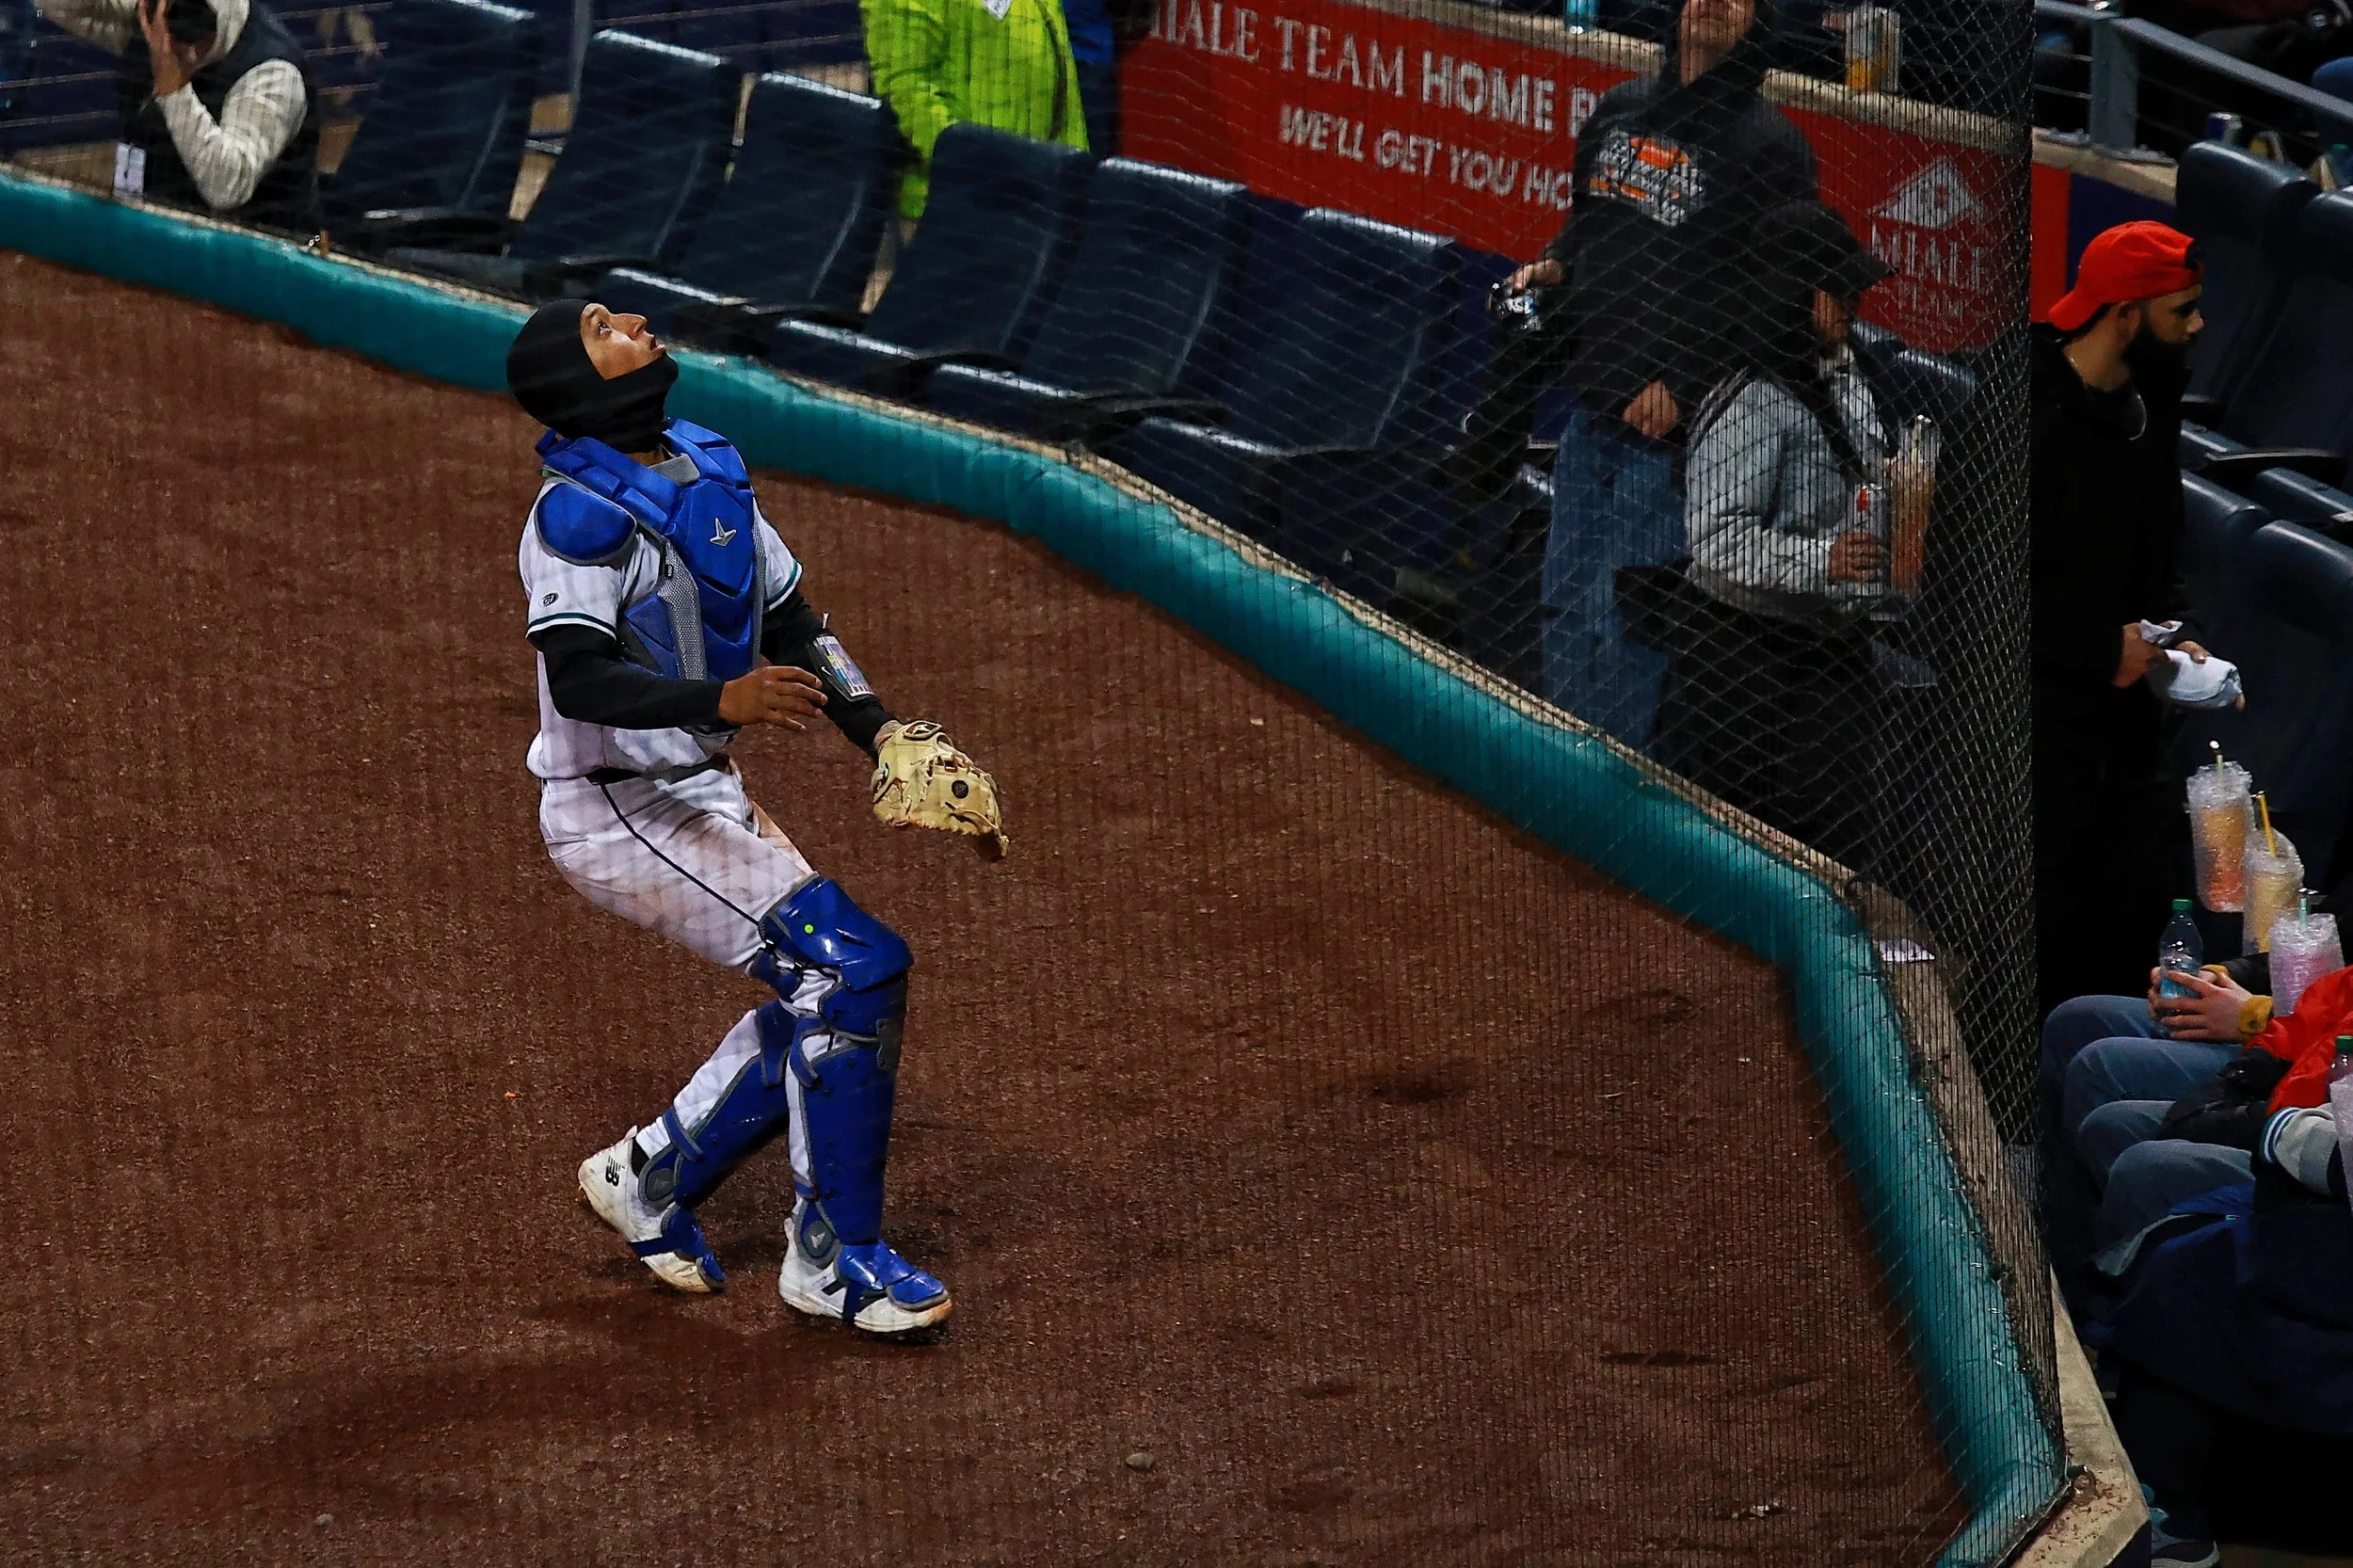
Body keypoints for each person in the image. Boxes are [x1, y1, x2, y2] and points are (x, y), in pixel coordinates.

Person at [506, 299, 1008, 1336]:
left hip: (698, 787)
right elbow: (581, 676)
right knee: (854, 968)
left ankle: (650, 1173)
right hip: (617, 809)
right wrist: (722, 700)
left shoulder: (706, 471)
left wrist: (880, 730)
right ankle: (834, 1264)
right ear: (579, 383)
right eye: (603, 327)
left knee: (834, 986)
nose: (633, 319)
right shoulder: (574, 518)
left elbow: (791, 622)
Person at [1500, 0, 1817, 746]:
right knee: (1565, 603)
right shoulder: (1620, 108)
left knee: (1628, 627)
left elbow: (1771, 294)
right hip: (1592, 406)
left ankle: (1611, 787)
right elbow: (1587, 221)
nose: (1713, 1)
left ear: (1756, 21)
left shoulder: (1772, 147)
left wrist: (1684, 384)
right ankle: (1561, 766)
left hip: (1675, 443)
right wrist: (1555, 264)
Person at [1649, 199, 1929, 870]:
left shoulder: (1844, 370)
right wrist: (1822, 559)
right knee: (1727, 848)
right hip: (1737, 654)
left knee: (1834, 840)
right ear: (1791, 293)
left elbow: (1860, 481)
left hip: (1825, 643)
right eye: (1838, 290)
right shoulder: (1753, 396)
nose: (1854, 303)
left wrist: (1901, 500)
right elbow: (1714, 539)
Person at [2030, 221, 2212, 1021]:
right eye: (2182, 311)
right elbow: (1970, 595)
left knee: (2141, 916)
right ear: (2126, 315)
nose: (2198, 325)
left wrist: (2176, 632)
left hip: (2125, 735)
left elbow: (2160, 555)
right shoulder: (2021, 414)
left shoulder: (2149, 404)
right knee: (2044, 952)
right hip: (2031, 734)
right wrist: (2101, 648)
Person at [38, 0, 317, 229]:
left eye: (199, 39)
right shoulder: (151, 26)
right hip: (149, 228)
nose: (187, 54)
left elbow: (226, 187)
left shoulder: (274, 74)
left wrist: (173, 89)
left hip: (250, 258)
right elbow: (51, 4)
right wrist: (137, 5)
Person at [861, 0, 1089, 222]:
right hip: (956, 205)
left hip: (1044, 192)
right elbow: (905, 86)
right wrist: (971, 171)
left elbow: (1062, 73)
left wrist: (1074, 175)